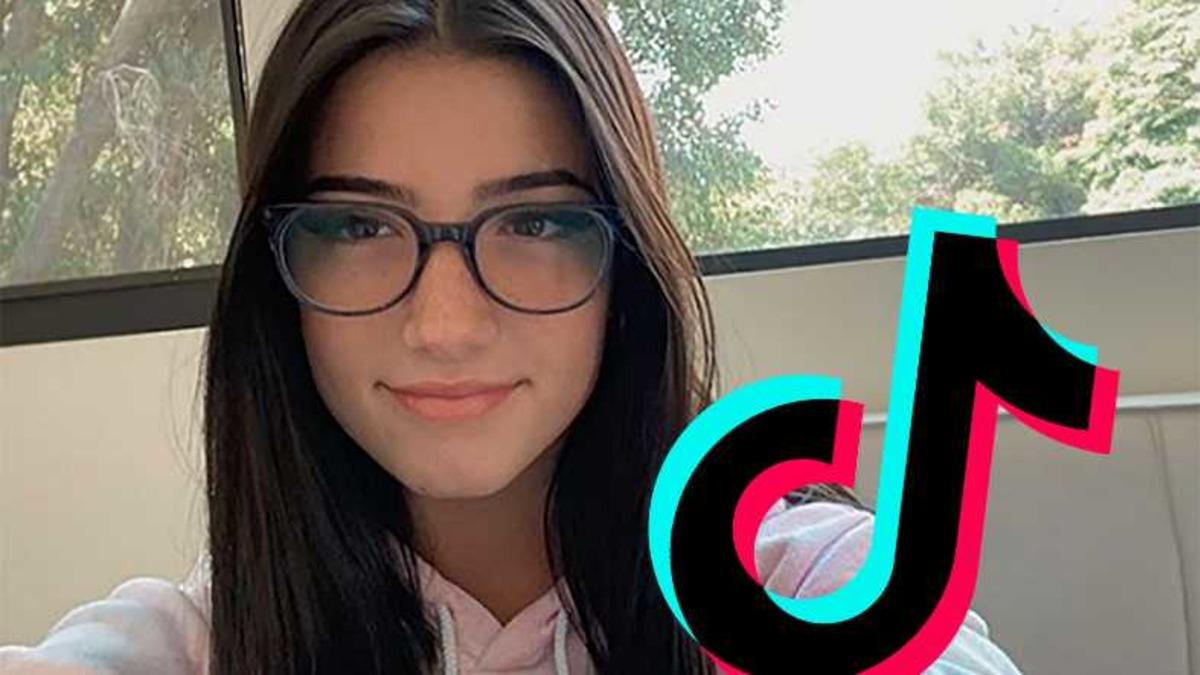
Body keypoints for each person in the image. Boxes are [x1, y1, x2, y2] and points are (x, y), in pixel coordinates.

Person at [0, 1, 1026, 673]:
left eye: (535, 222)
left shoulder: (802, 582)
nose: (444, 325)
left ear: (624, 265)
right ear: (279, 281)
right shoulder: (206, 641)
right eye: (357, 226)